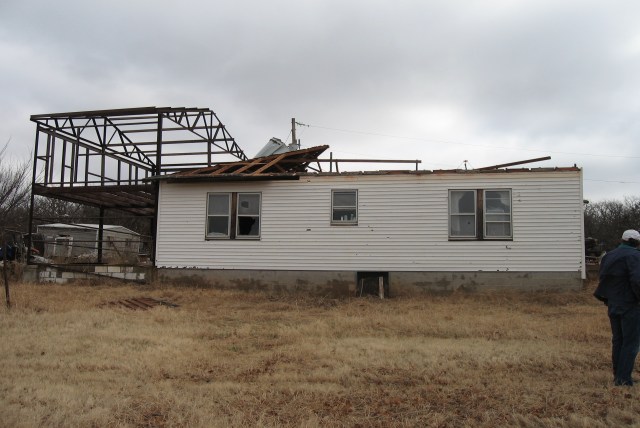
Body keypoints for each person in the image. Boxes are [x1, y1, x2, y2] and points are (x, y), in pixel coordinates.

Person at [594, 229, 640, 386]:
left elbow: (603, 277)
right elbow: (637, 280)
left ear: (623, 240)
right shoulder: (635, 256)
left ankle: (618, 375)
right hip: (630, 304)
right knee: (631, 342)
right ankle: (623, 379)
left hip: (613, 303)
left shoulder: (609, 256)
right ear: (636, 242)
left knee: (618, 340)